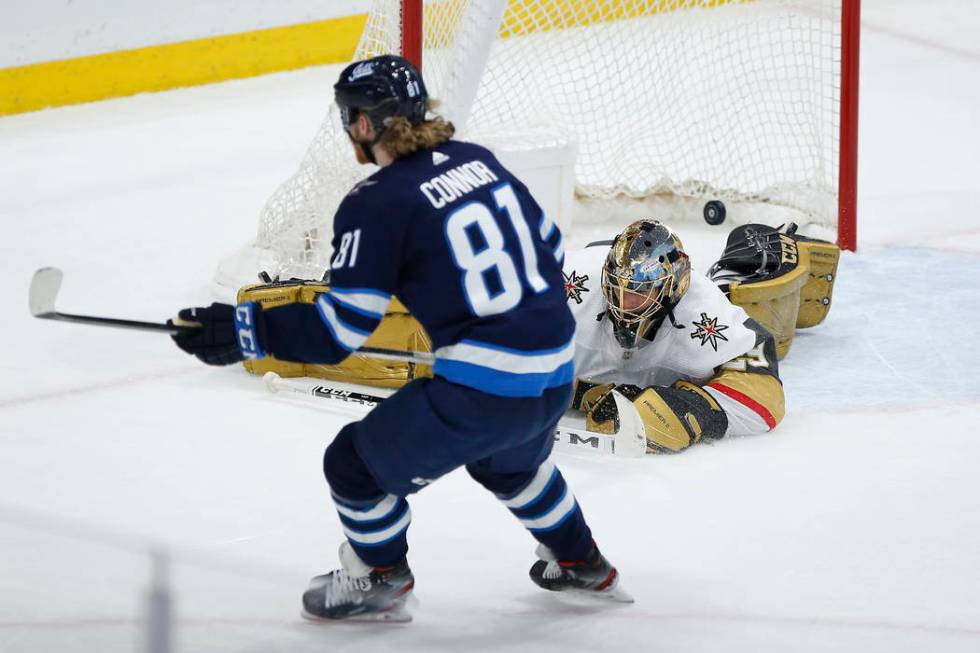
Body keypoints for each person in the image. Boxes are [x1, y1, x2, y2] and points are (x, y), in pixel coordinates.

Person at [169, 55, 630, 621]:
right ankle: (583, 562)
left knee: (353, 465)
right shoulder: (475, 160)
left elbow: (339, 331)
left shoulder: (375, 203)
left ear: (363, 125)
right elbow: (549, 246)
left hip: (487, 390)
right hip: (557, 367)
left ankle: (379, 580)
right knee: (511, 466)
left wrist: (246, 329)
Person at [562, 220, 786, 453]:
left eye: (640, 291)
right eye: (616, 287)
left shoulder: (704, 310)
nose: (624, 303)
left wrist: (687, 409)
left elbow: (766, 396)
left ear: (670, 289)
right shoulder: (572, 277)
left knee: (752, 303)